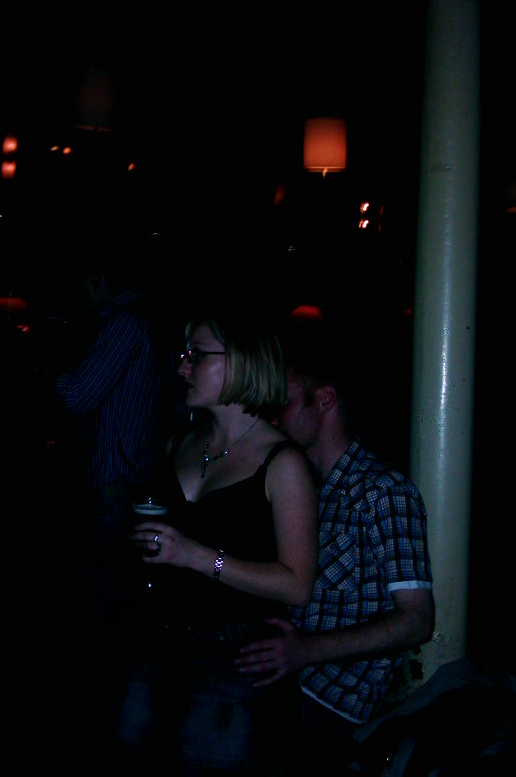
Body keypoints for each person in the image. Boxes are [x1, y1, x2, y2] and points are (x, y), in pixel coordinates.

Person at [235, 315, 435, 774]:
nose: (273, 417)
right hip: (286, 691)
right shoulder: (301, 487)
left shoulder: (383, 491)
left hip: (333, 712)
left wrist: (305, 650)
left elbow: (417, 620)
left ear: (324, 399)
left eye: (284, 404)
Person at [128, 305, 318, 774]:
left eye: (196, 355)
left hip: (234, 660)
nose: (182, 367)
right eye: (183, 354)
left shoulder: (284, 463)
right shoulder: (180, 443)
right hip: (158, 644)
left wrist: (196, 557)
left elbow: (297, 584)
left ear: (242, 363)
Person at [54, 238, 168, 755]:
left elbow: (78, 395)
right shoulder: (142, 321)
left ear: (98, 279)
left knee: (104, 610)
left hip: (116, 488)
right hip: (129, 483)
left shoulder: (124, 324)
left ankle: (105, 732)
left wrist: (44, 366)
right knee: (113, 606)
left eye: (82, 282)